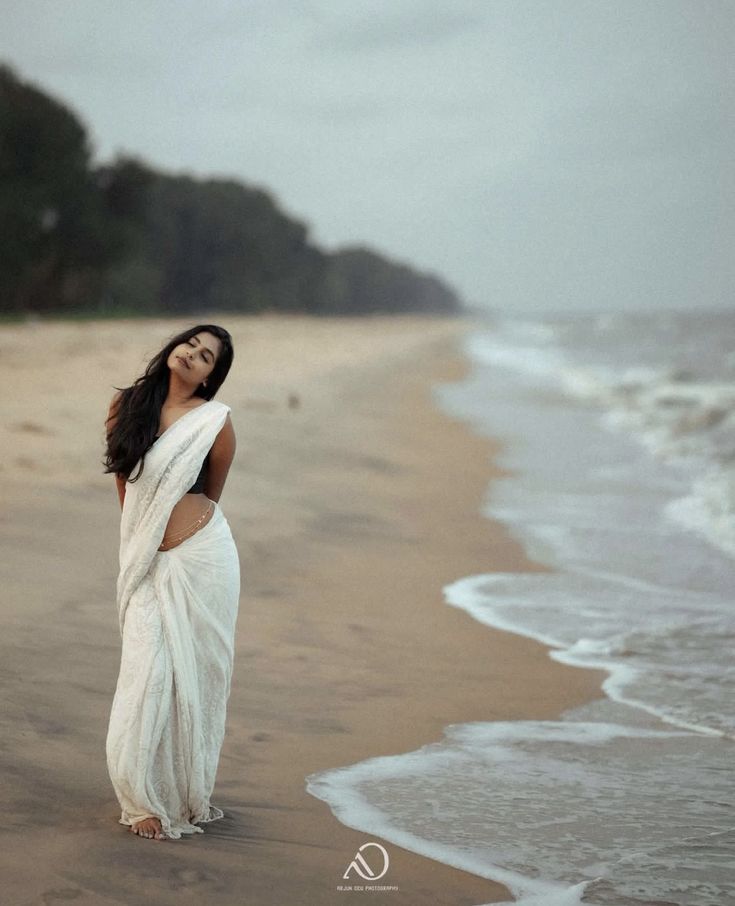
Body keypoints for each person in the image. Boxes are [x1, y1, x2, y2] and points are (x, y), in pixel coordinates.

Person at [103, 324, 240, 841]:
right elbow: (125, 480)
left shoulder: (214, 423)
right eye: (192, 344)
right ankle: (140, 799)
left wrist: (178, 537)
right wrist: (141, 547)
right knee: (147, 673)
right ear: (175, 346)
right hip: (146, 559)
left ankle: (180, 794)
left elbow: (211, 491)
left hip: (204, 562)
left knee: (195, 675)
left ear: (211, 376)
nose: (192, 355)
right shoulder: (127, 405)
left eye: (206, 357)